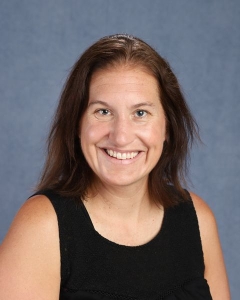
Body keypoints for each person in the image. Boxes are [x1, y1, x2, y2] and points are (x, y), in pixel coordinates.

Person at [0, 34, 230, 300]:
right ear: (77, 124)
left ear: (167, 128)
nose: (121, 136)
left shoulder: (198, 220)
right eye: (103, 112)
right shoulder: (42, 226)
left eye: (140, 113)